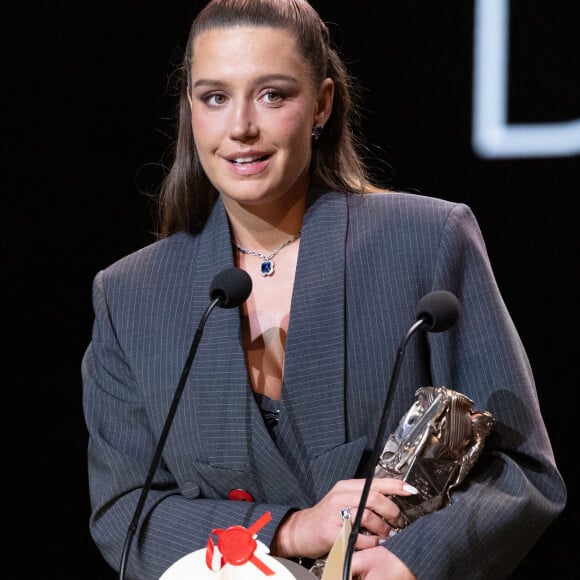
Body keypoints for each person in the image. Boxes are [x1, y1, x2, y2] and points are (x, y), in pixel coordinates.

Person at [81, 1, 567, 578]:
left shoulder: (427, 241)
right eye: (215, 97)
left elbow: (520, 468)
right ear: (191, 109)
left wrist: (411, 562)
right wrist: (289, 527)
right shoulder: (132, 295)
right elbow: (124, 511)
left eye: (273, 95)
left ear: (322, 104)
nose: (241, 126)